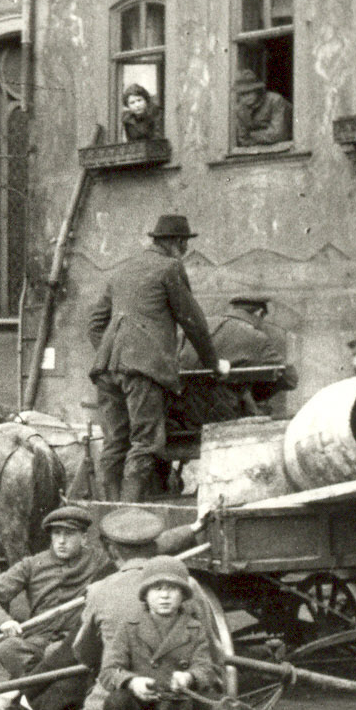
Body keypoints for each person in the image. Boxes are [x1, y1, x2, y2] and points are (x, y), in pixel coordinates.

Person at [86, 214, 220, 501]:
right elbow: (192, 322)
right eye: (185, 245)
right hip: (141, 372)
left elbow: (95, 325)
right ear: (178, 242)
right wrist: (214, 364)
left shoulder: (122, 270)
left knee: (115, 442)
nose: (185, 251)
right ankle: (127, 515)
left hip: (106, 370)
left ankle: (108, 510)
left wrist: (115, 354)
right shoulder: (170, 267)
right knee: (146, 443)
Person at [0, 505, 113, 710]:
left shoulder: (100, 562)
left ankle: (26, 698)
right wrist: (3, 621)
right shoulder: (32, 564)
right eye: (56, 533)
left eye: (69, 534)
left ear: (84, 538)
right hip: (37, 641)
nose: (61, 541)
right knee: (8, 648)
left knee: (57, 653)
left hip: (72, 642)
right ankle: (33, 698)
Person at [99, 556, 225, 710]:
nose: (164, 595)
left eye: (172, 589)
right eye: (157, 589)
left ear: (183, 595)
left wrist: (189, 677)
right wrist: (133, 682)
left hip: (182, 704)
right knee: (116, 702)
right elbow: (109, 671)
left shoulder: (194, 628)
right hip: (141, 706)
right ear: (145, 594)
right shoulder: (129, 627)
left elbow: (206, 668)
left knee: (217, 705)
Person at [71, 507, 167, 685]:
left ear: (113, 551)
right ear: (155, 547)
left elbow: (84, 653)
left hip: (122, 685)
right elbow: (211, 648)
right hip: (179, 687)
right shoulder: (188, 584)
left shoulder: (98, 590)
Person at [232, 68, 292, 147]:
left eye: (249, 92)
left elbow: (279, 134)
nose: (246, 97)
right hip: (259, 150)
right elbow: (243, 140)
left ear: (257, 90)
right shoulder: (240, 110)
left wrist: (252, 135)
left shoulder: (275, 100)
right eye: (242, 94)